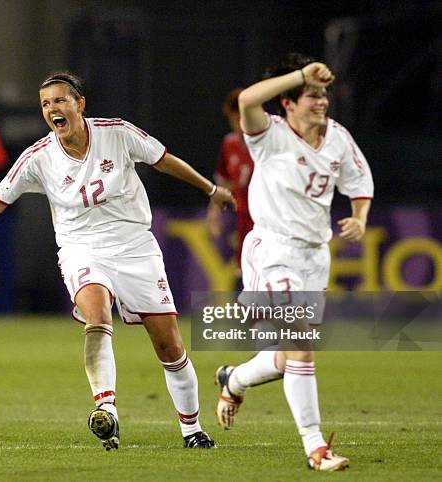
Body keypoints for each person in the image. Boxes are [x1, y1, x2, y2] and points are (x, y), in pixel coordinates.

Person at [0, 71, 235, 449]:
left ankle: (192, 429)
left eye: (60, 100)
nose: (53, 108)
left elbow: (164, 160)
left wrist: (210, 189)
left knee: (169, 346)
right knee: (96, 315)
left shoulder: (117, 133)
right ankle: (107, 410)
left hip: (135, 246)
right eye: (46, 104)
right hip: (81, 250)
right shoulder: (38, 157)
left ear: (79, 104)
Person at [213, 53, 373, 471]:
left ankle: (235, 379)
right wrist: (299, 74)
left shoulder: (338, 137)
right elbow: (248, 100)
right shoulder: (270, 135)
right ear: (288, 102)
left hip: (314, 257)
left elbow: (359, 181)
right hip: (273, 250)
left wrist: (358, 218)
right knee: (302, 344)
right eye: (311, 96)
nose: (321, 102)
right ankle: (315, 447)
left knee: (288, 358)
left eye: (323, 95)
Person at [206, 88, 254, 276]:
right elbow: (224, 184)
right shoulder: (230, 144)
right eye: (234, 120)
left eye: (241, 118)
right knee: (246, 277)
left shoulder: (266, 144)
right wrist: (213, 213)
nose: (238, 125)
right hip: (243, 221)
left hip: (269, 223)